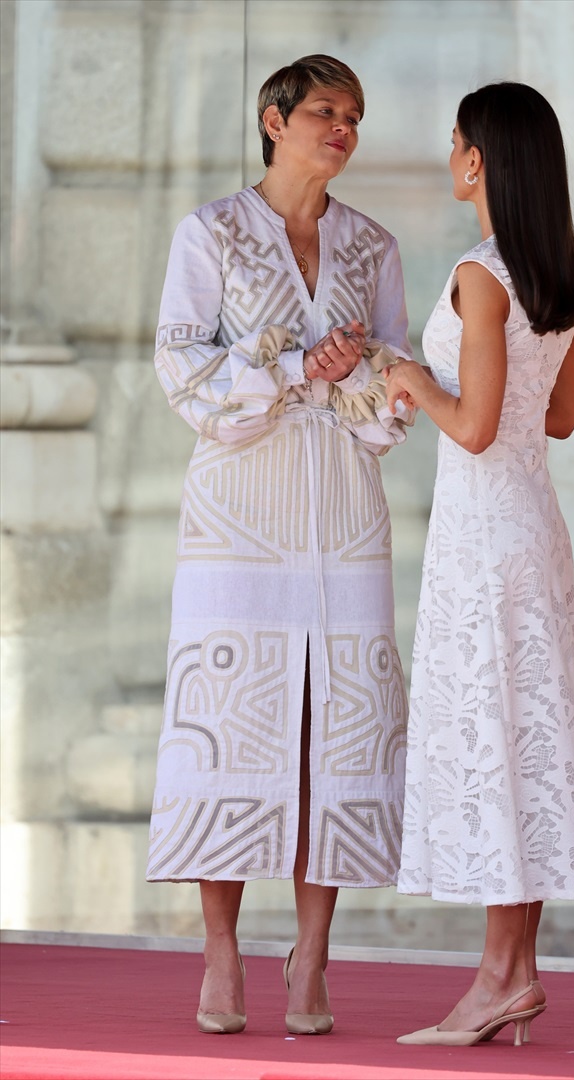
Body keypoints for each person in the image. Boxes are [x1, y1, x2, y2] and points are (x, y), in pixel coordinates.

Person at [146, 54, 414, 1037]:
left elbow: (395, 390)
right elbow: (179, 368)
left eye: (354, 115)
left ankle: (312, 958)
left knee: (332, 730)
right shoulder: (209, 232)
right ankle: (221, 952)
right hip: (238, 517)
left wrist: (356, 371)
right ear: (274, 120)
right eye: (324, 113)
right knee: (232, 718)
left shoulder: (374, 245)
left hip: (342, 515)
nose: (341, 129)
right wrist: (299, 363)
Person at [384, 82, 574, 1047]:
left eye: (456, 142)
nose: (448, 153)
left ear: (481, 160)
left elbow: (473, 429)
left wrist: (410, 379)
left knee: (491, 731)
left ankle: (493, 979)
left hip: (482, 538)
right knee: (529, 737)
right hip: (535, 526)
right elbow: (554, 420)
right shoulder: (558, 273)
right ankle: (514, 974)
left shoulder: (481, 275)